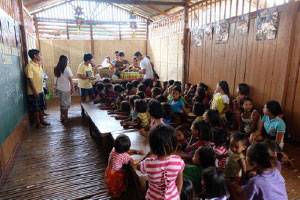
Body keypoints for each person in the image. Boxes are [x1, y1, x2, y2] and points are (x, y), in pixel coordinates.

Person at [137, 124, 185, 200]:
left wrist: (148, 155)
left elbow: (138, 167)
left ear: (152, 147)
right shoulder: (178, 161)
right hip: (173, 197)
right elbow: (179, 181)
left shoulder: (148, 163)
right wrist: (177, 194)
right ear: (174, 145)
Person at [25, 49, 50, 128]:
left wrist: (42, 79)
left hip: (41, 90)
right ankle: (38, 124)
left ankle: (42, 120)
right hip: (34, 92)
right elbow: (30, 80)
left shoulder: (38, 64)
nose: (41, 56)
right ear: (35, 56)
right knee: (36, 109)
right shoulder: (30, 66)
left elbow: (39, 76)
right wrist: (35, 91)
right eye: (39, 55)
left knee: (42, 107)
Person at [54, 55, 74, 122]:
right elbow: (71, 80)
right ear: (65, 61)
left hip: (58, 88)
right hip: (65, 89)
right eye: (68, 60)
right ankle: (66, 117)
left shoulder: (56, 68)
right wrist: (73, 88)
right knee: (66, 104)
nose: (68, 61)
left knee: (62, 103)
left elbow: (56, 79)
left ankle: (61, 116)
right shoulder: (67, 69)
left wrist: (55, 87)